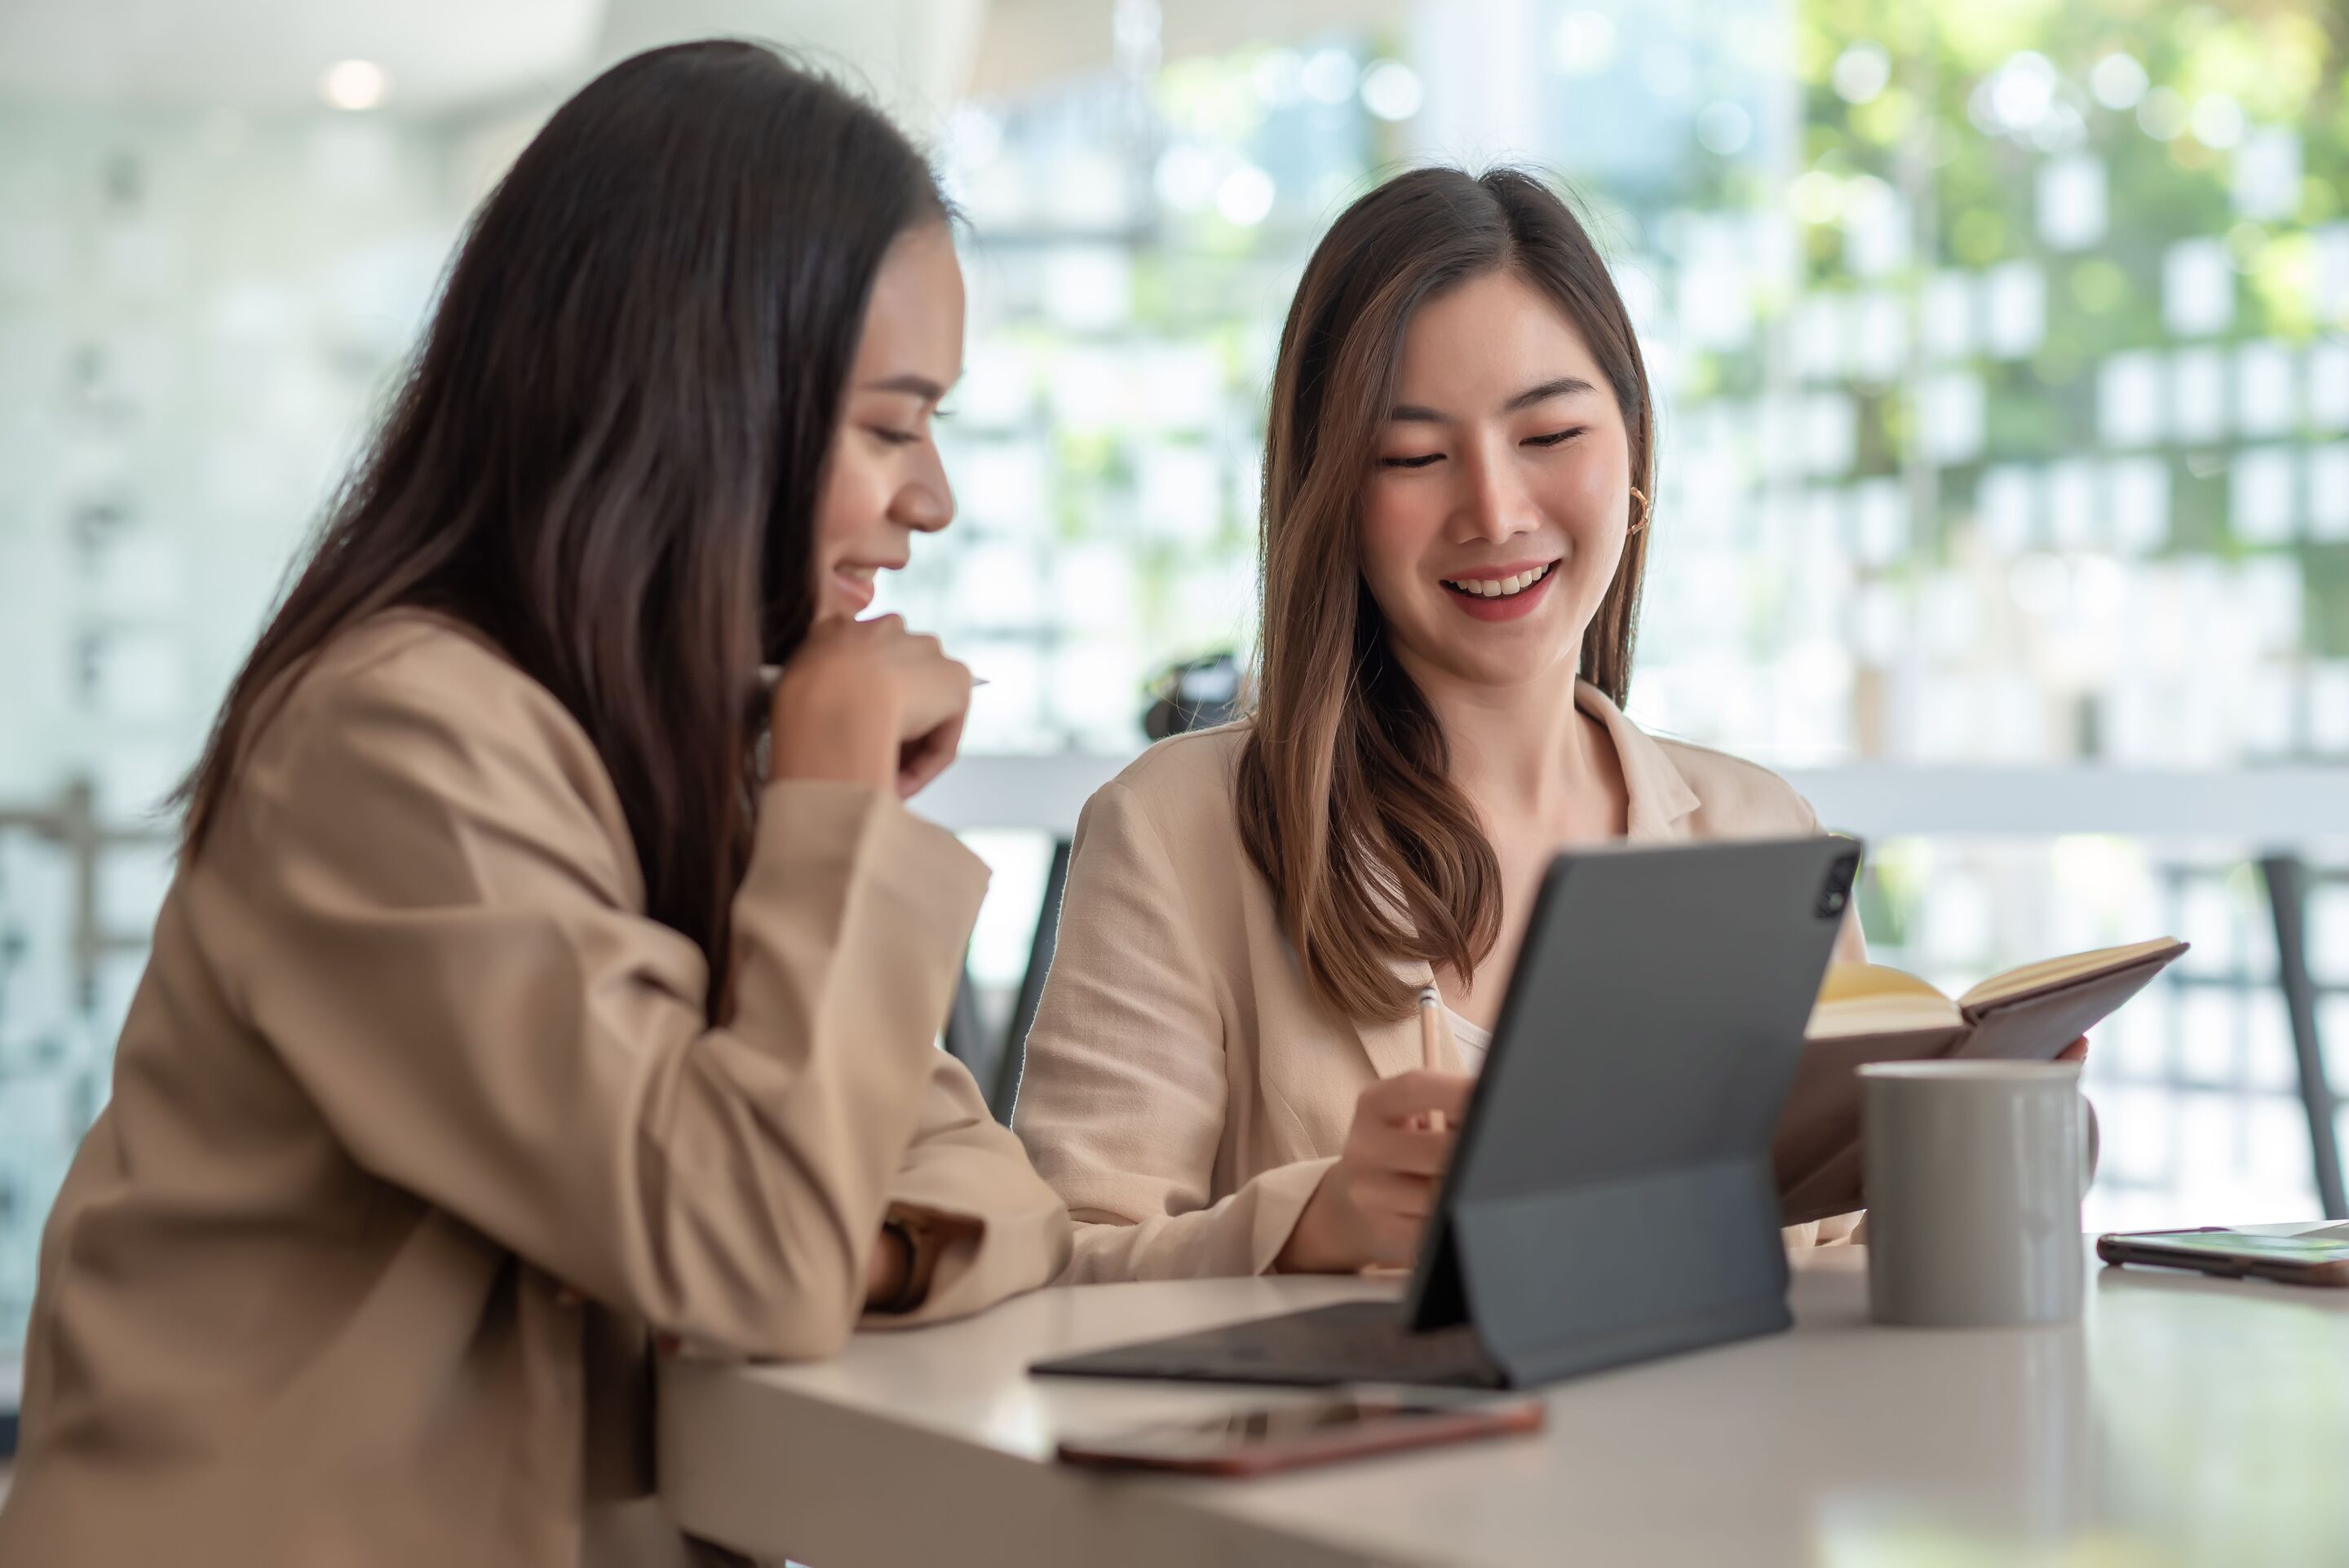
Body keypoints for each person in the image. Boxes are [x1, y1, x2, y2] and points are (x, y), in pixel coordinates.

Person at [0, 42, 1067, 1568]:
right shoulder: (394, 743)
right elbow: (758, 1249)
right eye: (892, 427)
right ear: (710, 395)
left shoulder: (680, 741)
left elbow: (990, 1194)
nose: (933, 499)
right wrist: (834, 795)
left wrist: (849, 1235)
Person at [1013, 166, 1871, 1283]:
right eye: (1413, 457)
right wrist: (1313, 1225)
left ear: (1634, 456)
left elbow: (1848, 1261)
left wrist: (1975, 1149)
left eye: (1551, 434)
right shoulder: (1178, 832)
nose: (1496, 513)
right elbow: (1054, 1276)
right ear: (1332, 500)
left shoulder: (1765, 834)